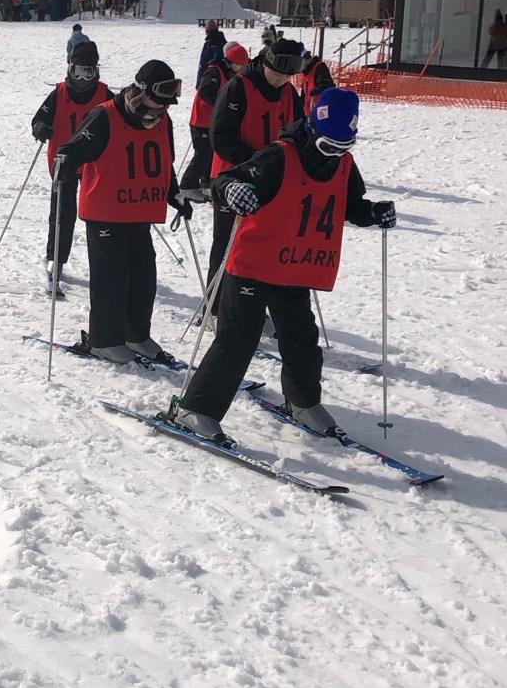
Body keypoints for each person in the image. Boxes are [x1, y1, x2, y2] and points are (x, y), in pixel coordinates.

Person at [168, 87, 397, 442]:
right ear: (312, 128)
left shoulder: (344, 166)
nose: (334, 156)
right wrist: (230, 191)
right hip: (253, 266)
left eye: (343, 147)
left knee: (302, 339)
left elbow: (352, 205)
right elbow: (226, 179)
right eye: (327, 147)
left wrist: (373, 212)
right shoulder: (280, 156)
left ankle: (303, 401)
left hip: (294, 268)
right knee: (237, 339)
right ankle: (195, 409)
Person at [52, 59, 192, 364]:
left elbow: (163, 162)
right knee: (111, 280)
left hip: (141, 212)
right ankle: (104, 340)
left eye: (166, 106)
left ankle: (135, 335)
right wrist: (63, 165)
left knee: (144, 279)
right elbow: (73, 150)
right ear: (140, 93)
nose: (160, 111)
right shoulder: (105, 115)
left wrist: (174, 194)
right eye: (157, 102)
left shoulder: (163, 120)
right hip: (106, 213)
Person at [206, 37, 306, 289]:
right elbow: (220, 138)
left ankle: (255, 305)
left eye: (288, 76)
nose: (282, 80)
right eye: (279, 74)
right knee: (228, 245)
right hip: (233, 179)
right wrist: (258, 159)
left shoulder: (289, 93)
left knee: (265, 245)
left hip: (271, 181)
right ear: (266, 63)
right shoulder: (238, 87)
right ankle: (216, 305)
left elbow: (300, 132)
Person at [31, 41, 112, 293]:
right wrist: (41, 128)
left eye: (88, 72)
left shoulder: (105, 95)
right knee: (62, 214)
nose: (82, 78)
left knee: (99, 215)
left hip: (93, 165)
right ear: (69, 69)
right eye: (78, 71)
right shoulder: (60, 92)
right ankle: (56, 258)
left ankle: (106, 262)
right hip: (63, 163)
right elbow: (38, 118)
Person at [181, 42, 248, 194]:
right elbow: (204, 92)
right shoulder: (215, 71)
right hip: (201, 120)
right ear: (234, 62)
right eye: (241, 65)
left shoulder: (227, 72)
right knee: (203, 153)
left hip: (211, 121)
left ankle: (206, 184)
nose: (241, 69)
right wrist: (222, 101)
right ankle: (187, 184)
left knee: (211, 153)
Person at [300, 51, 335, 116]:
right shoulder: (305, 72)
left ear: (305, 59)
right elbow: (304, 94)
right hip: (309, 114)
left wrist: (316, 91)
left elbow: (327, 84)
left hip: (321, 113)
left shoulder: (320, 68)